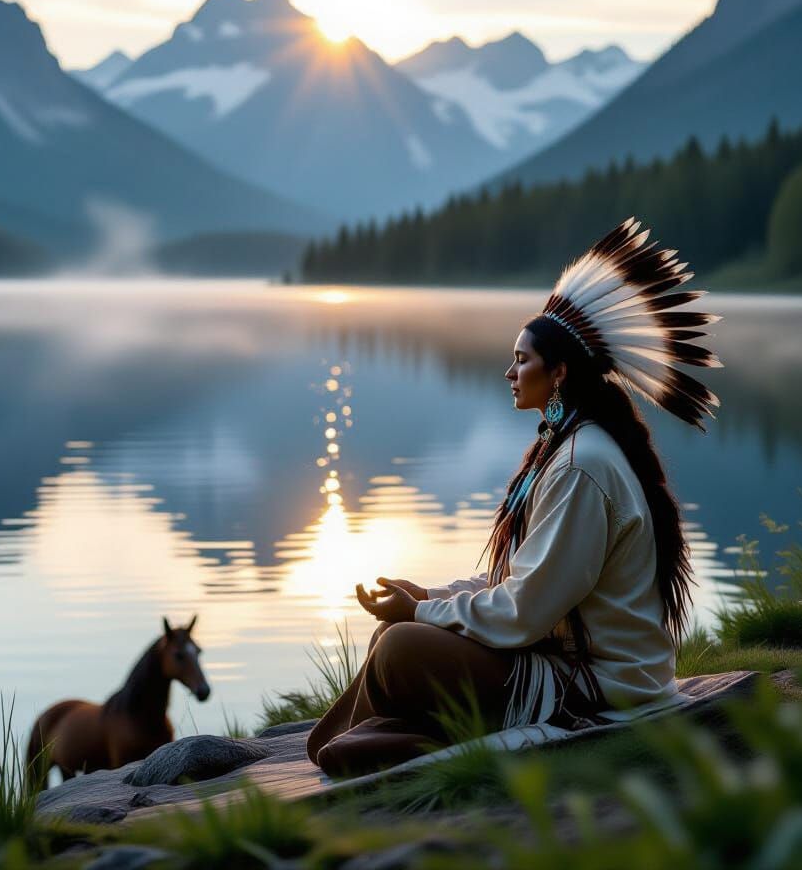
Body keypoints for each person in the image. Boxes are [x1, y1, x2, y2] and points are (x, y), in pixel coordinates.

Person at [306, 217, 723, 777]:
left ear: (559, 373)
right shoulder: (568, 448)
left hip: (600, 687)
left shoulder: (581, 466)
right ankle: (366, 744)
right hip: (565, 662)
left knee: (402, 647)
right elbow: (521, 580)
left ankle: (389, 745)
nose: (509, 371)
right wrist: (427, 594)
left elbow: (526, 610)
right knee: (398, 635)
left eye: (522, 360)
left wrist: (425, 611)